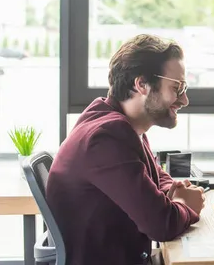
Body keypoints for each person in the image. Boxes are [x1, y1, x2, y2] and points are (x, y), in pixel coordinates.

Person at [47, 34, 205, 265]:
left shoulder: (122, 124)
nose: (184, 99)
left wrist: (174, 189)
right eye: (177, 87)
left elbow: (155, 176)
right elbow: (161, 225)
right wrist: (184, 205)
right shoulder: (107, 136)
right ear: (141, 84)